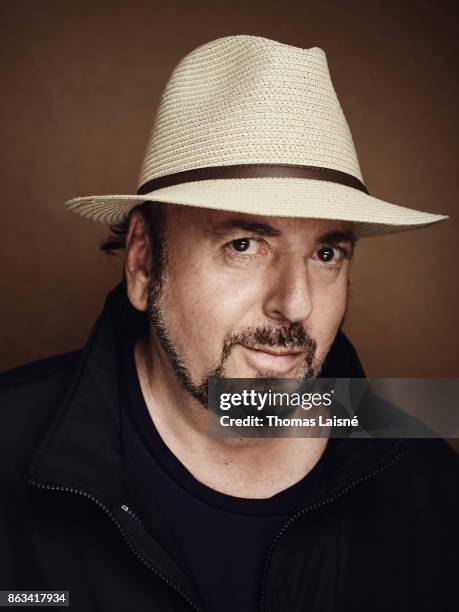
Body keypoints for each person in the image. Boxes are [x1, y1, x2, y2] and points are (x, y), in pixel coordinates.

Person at [0, 35, 457, 612]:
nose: (295, 305)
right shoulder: (9, 453)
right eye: (244, 244)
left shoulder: (426, 485)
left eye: (327, 254)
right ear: (143, 261)